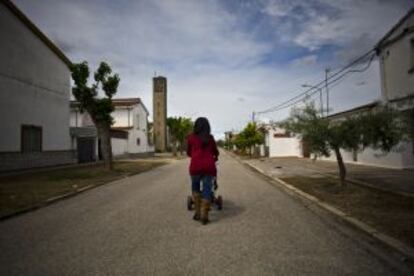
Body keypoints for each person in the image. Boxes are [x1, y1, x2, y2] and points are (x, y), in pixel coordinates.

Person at [187, 117, 219, 225]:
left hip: (195, 167)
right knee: (206, 189)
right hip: (209, 167)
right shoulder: (210, 138)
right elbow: (215, 152)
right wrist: (215, 156)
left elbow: (188, 153)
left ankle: (197, 213)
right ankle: (205, 216)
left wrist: (195, 155)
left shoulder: (191, 138)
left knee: (195, 189)